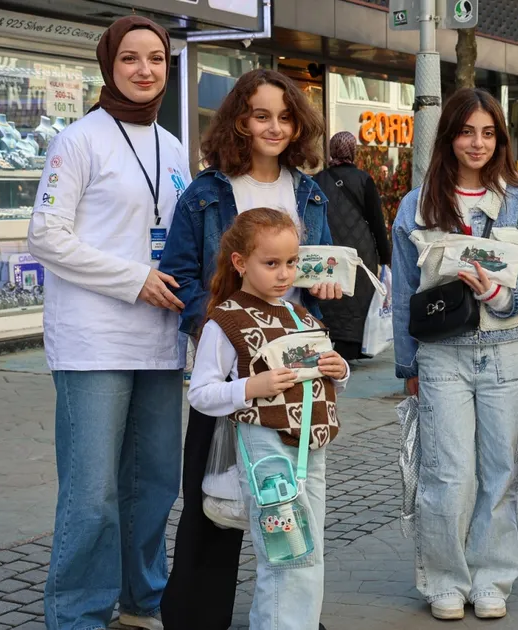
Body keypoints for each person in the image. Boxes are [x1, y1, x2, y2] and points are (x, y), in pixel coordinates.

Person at [25, 17, 188, 630]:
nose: (145, 70)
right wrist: (132, 279)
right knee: (92, 495)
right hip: (92, 342)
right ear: (108, 65)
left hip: (158, 342)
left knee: (152, 487)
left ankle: (142, 598)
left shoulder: (172, 148)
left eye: (156, 59)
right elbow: (45, 236)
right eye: (130, 59)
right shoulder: (79, 140)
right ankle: (76, 613)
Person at [159, 69, 336, 630]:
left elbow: (316, 270)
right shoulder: (208, 193)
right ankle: (196, 618)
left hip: (292, 381)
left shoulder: (308, 190)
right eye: (262, 115)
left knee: (291, 507)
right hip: (230, 370)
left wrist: (328, 287)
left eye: (285, 116)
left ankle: (291, 615)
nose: (275, 127)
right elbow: (179, 275)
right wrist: (223, 328)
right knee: (213, 502)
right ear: (239, 120)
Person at [391, 87, 518, 621]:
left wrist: (503, 295)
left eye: (488, 133)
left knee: (499, 473)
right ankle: (444, 579)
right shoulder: (417, 205)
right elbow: (402, 293)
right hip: (443, 355)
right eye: (466, 131)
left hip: (506, 353)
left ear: (500, 139)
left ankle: (491, 578)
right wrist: (407, 366)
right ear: (449, 138)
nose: (477, 143)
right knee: (448, 473)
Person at [187, 208, 348, 628]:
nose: (284, 274)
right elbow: (201, 393)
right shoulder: (226, 320)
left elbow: (320, 378)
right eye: (271, 263)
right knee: (287, 554)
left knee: (307, 552)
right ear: (240, 263)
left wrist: (339, 369)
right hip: (266, 451)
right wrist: (249, 388)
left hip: (312, 451)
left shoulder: (300, 316)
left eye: (291, 263)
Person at [313, 131, 392, 359]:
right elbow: (377, 220)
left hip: (328, 248)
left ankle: (328, 342)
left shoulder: (318, 180)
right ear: (353, 151)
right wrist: (385, 256)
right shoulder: (363, 179)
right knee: (357, 297)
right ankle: (356, 347)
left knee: (330, 296)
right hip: (360, 251)